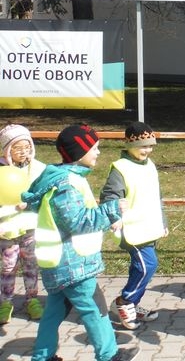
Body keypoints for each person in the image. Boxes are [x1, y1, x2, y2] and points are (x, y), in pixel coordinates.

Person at [21, 124, 139, 361]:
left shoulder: (63, 178)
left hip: (61, 262)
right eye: (94, 148)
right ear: (78, 152)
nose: (98, 153)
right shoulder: (66, 184)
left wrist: (108, 216)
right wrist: (112, 210)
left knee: (54, 312)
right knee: (95, 308)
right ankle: (109, 355)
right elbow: (77, 222)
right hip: (73, 263)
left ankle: (42, 356)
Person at [100, 122, 168, 330]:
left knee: (140, 268)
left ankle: (133, 304)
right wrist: (114, 217)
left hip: (150, 226)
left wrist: (163, 221)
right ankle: (124, 302)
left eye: (150, 146)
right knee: (148, 266)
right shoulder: (120, 168)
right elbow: (110, 196)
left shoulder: (150, 165)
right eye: (142, 146)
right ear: (129, 145)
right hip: (132, 229)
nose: (146, 150)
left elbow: (157, 196)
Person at [0, 124, 46, 324]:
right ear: (7, 149)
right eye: (17, 148)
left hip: (30, 227)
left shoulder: (37, 169)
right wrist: (12, 208)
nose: (23, 152)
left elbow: (44, 193)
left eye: (27, 147)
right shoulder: (2, 170)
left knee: (31, 265)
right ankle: (5, 303)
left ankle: (32, 300)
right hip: (7, 229)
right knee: (9, 267)